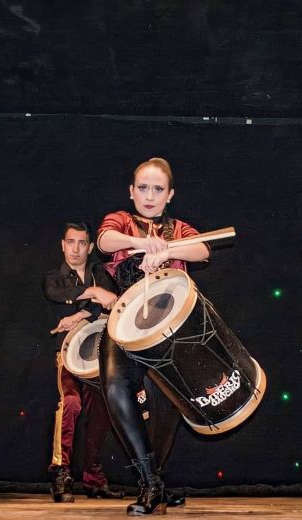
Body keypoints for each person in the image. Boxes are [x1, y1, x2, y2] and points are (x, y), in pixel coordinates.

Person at [97, 157, 209, 515]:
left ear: (170, 194)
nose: (149, 195)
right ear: (131, 192)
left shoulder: (179, 228)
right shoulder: (120, 220)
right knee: (115, 387)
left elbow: (203, 250)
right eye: (142, 188)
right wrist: (142, 244)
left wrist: (167, 249)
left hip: (171, 326)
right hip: (127, 321)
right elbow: (104, 241)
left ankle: (155, 480)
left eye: (157, 189)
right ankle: (150, 482)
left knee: (171, 403)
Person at [42, 222, 125, 502]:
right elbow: (55, 295)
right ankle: (62, 473)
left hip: (96, 356)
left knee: (100, 411)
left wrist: (78, 315)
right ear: (62, 244)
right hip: (66, 355)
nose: (75, 249)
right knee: (71, 404)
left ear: (90, 247)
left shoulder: (99, 272)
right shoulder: (54, 276)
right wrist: (94, 294)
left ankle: (93, 479)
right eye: (70, 242)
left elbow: (112, 301)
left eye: (81, 243)